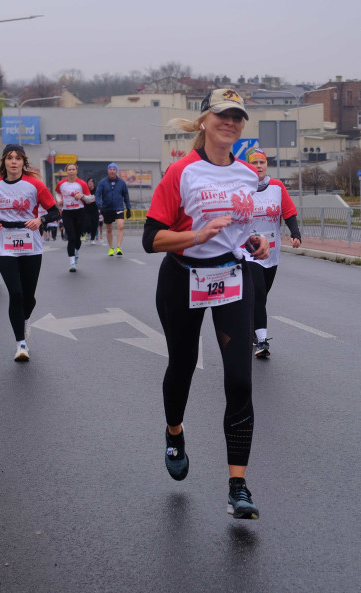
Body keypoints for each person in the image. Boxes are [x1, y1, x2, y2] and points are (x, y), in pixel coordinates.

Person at [142, 87, 270, 520]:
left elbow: (241, 228)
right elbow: (151, 239)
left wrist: (255, 242)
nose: (230, 122)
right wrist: (197, 235)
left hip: (233, 277)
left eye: (237, 117)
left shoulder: (247, 176)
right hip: (182, 277)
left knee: (239, 380)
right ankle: (174, 432)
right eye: (222, 115)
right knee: (182, 365)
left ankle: (238, 486)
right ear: (203, 122)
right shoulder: (181, 172)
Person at [0, 144, 61, 361]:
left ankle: (25, 319)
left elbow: (55, 211)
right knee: (16, 294)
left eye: (18, 158)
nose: (14, 162)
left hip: (31, 243)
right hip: (4, 244)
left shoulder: (35, 185)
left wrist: (41, 220)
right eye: (10, 158)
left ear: (23, 162)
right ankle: (21, 344)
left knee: (28, 297)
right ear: (4, 162)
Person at [243, 148, 301, 359]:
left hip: (273, 252)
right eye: (254, 162)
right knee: (257, 293)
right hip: (249, 251)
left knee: (261, 297)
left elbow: (289, 211)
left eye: (262, 162)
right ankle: (261, 340)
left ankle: (251, 328)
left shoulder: (277, 187)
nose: (258, 166)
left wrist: (295, 233)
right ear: (248, 165)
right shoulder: (242, 188)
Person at [56, 163, 91, 272]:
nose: (71, 171)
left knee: (77, 237)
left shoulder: (82, 184)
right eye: (69, 169)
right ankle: (72, 263)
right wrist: (59, 201)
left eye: (73, 169)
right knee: (71, 237)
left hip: (79, 212)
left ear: (76, 171)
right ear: (66, 171)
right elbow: (57, 193)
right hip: (67, 213)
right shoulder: (61, 184)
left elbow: (90, 199)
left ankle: (76, 252)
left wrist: (82, 196)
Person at [96, 162, 131, 256]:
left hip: (119, 207)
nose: (112, 171)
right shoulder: (102, 182)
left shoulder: (122, 182)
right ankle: (111, 248)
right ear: (107, 171)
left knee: (121, 226)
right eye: (110, 169)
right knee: (109, 228)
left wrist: (128, 208)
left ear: (116, 171)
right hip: (107, 208)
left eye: (114, 169)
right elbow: (97, 195)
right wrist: (100, 206)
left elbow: (126, 195)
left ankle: (119, 247)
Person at [83, 177, 100, 245]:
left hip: (95, 209)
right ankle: (87, 232)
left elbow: (98, 197)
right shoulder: (85, 190)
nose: (90, 184)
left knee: (95, 224)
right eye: (88, 183)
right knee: (87, 223)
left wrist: (91, 200)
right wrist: (86, 200)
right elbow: (82, 197)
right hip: (86, 210)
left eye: (91, 182)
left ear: (93, 183)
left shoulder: (97, 190)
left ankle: (92, 238)